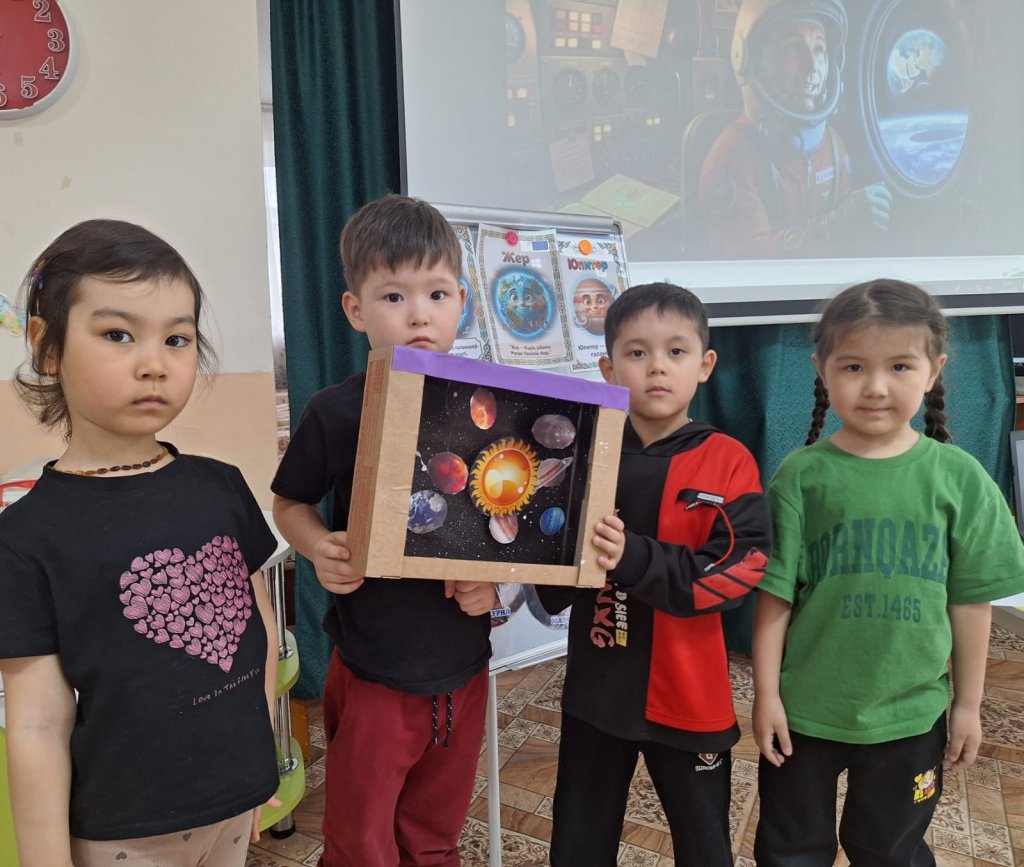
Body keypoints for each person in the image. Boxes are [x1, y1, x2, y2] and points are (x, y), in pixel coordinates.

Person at [270, 193, 628, 867]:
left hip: (464, 666)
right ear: (355, 310)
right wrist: (318, 545)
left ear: (462, 301)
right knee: (361, 840)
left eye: (436, 294)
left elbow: (513, 526)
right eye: (393, 296)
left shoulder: (497, 406)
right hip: (376, 666)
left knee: (434, 834)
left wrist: (496, 585)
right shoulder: (335, 411)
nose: (418, 314)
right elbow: (289, 502)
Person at [0, 219, 281, 867]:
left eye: (177, 338)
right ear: (47, 346)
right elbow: (38, 723)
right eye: (118, 334)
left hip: (234, 805)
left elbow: (259, 630)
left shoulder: (222, 486)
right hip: (124, 834)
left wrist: (257, 761)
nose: (155, 363)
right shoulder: (24, 537)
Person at [752, 279, 1024, 865]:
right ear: (822, 370)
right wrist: (766, 695)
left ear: (934, 371)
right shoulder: (800, 476)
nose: (875, 386)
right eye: (853, 366)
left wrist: (968, 705)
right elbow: (775, 597)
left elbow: (970, 602)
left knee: (891, 851)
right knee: (790, 849)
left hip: (911, 716)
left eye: (900, 365)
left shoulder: (961, 478)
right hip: (805, 713)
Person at [537, 282, 772, 866]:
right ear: (608, 369)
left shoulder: (728, 460)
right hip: (596, 693)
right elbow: (553, 572)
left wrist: (632, 558)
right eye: (637, 352)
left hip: (689, 697)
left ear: (705, 365)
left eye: (676, 351)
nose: (657, 367)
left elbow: (738, 571)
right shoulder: (585, 453)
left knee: (705, 848)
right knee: (578, 847)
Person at [698, 0, 892, 258]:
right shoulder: (732, 159)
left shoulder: (832, 144)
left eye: (819, 49)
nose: (813, 66)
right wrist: (832, 228)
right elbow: (745, 262)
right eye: (794, 48)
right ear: (749, 59)